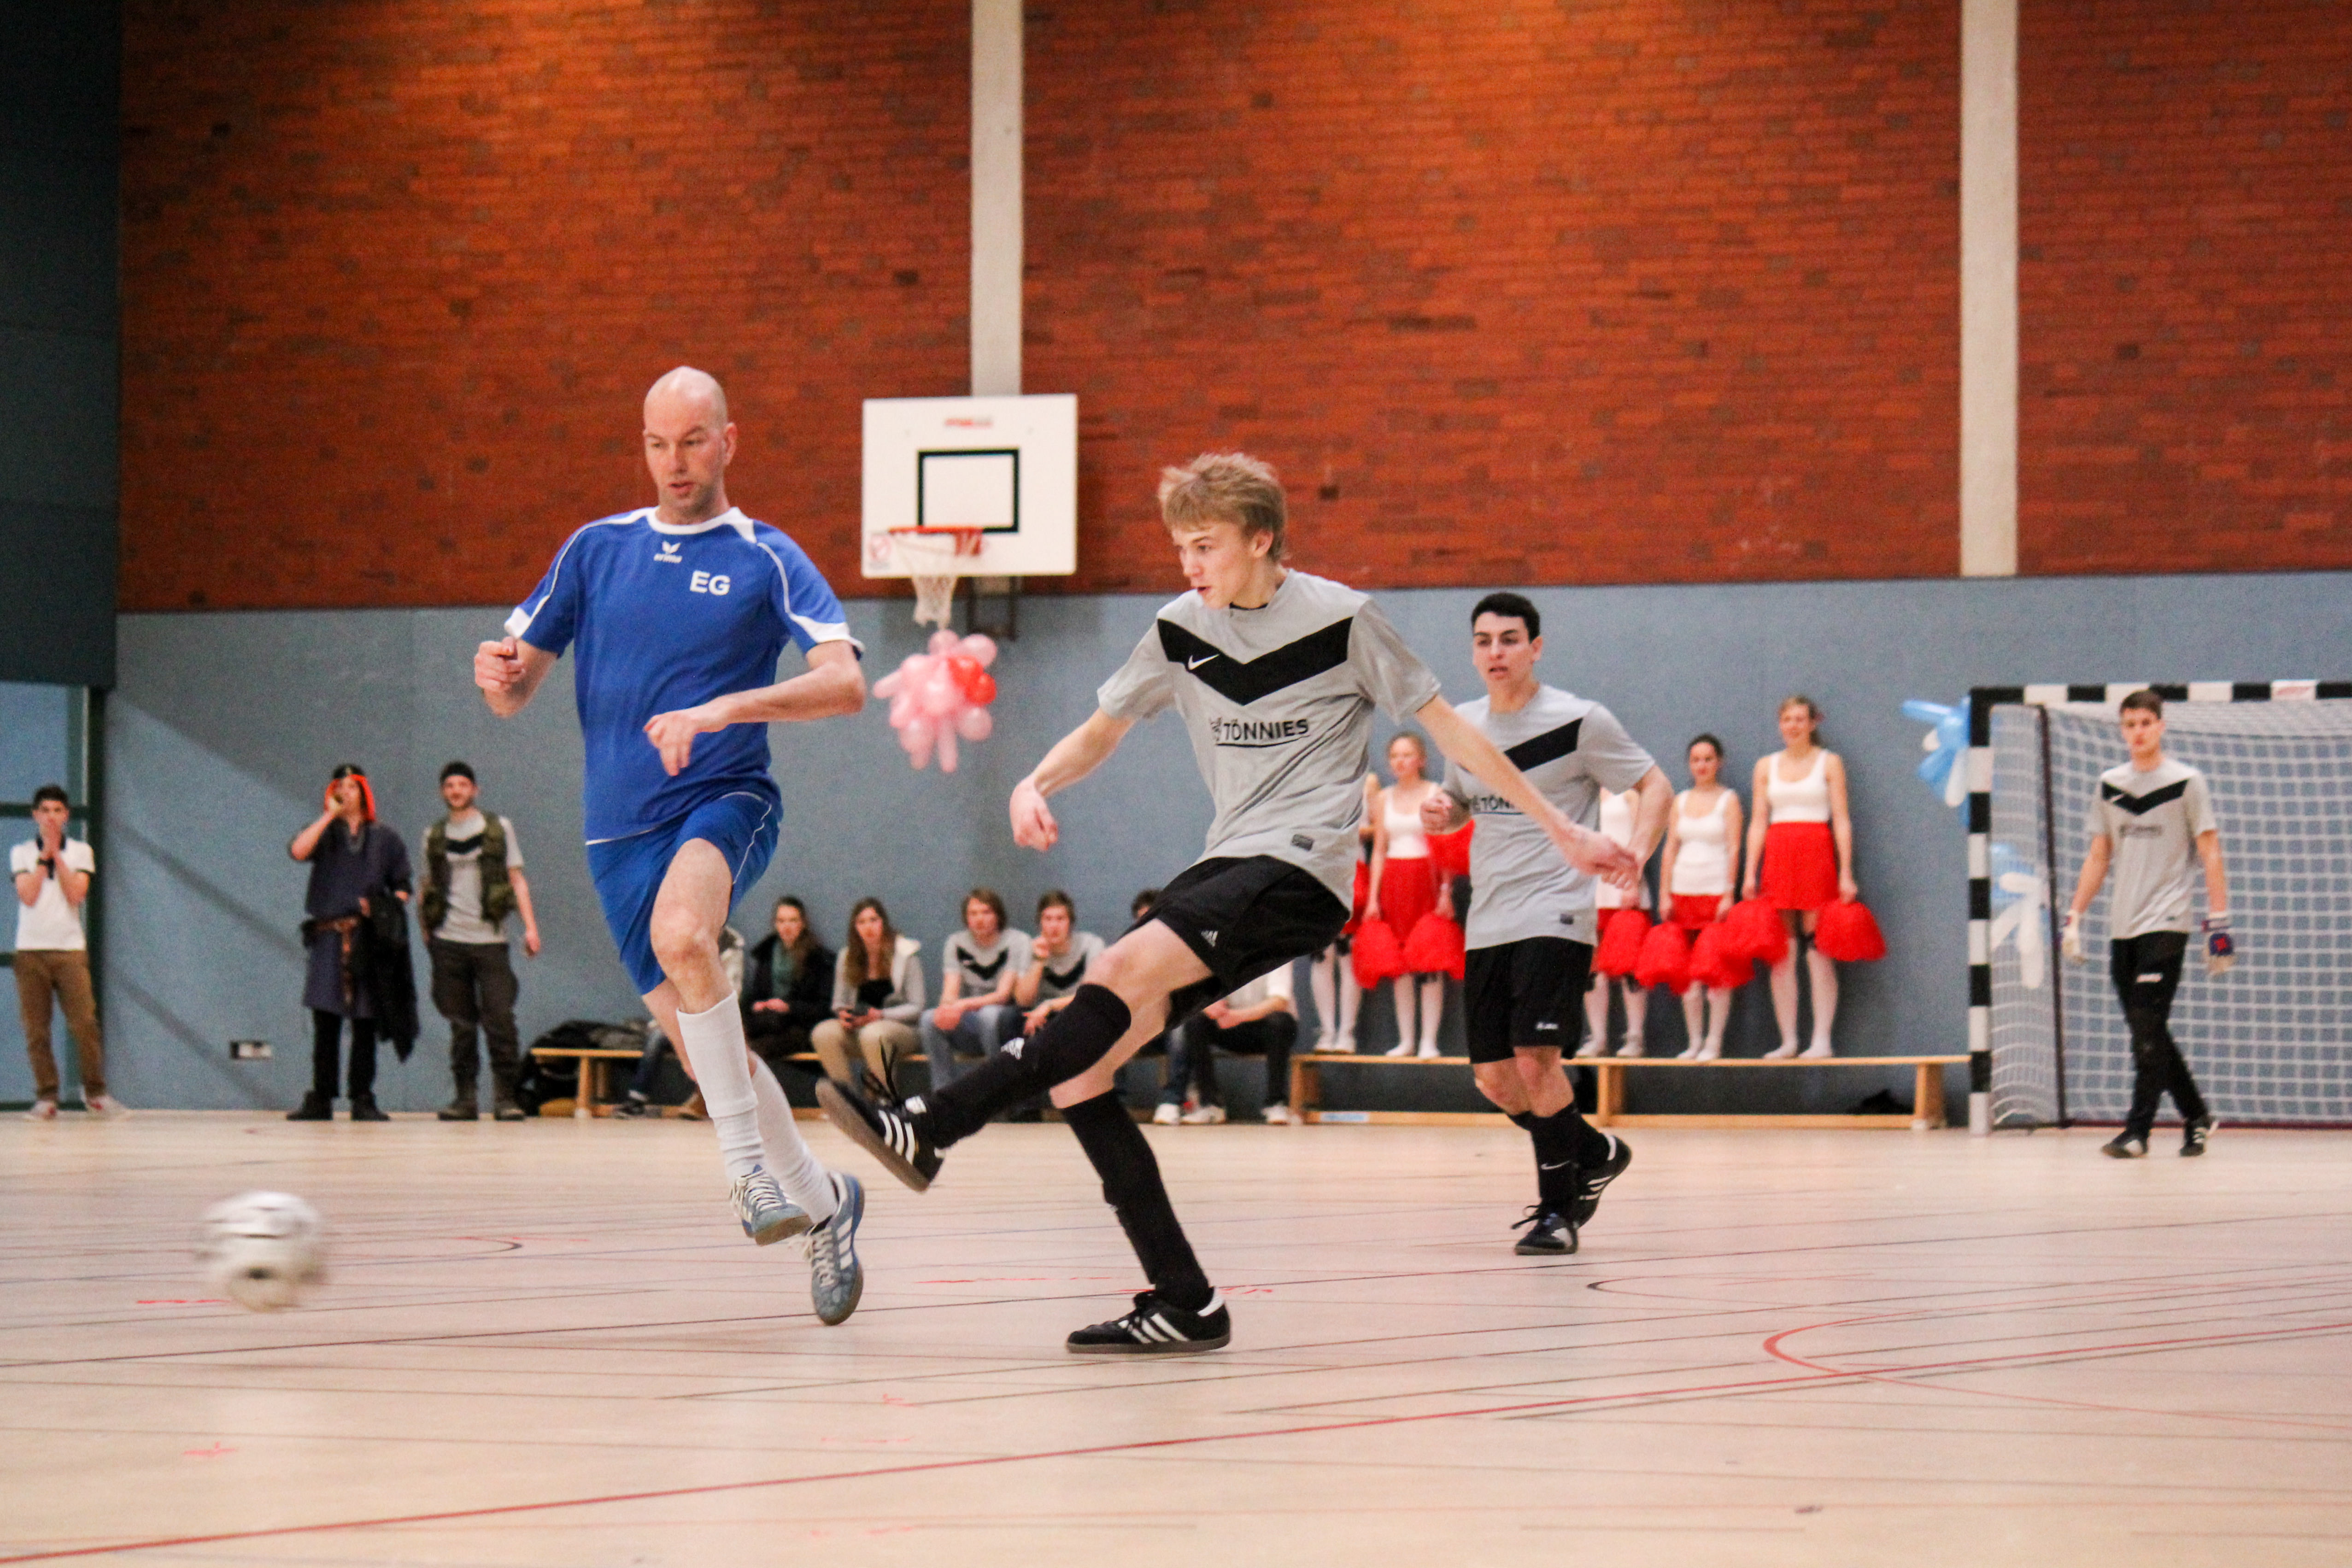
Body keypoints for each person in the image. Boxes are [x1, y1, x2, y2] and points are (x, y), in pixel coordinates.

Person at [818, 452, 1636, 1354]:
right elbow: (1103, 728)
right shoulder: (1180, 629)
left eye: (1204, 546)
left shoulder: (1344, 619)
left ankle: (930, 1124)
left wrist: (1561, 828)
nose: (1190, 565)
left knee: (1116, 967)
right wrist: (1033, 780)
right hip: (1227, 862)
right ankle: (1186, 1301)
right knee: (1084, 1066)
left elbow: (1457, 736)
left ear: (1260, 539)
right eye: (1180, 548)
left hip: (1302, 870)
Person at [474, 364, 867, 1325]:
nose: (674, 461)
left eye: (692, 441)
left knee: (686, 935)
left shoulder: (766, 557)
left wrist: (727, 708)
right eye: (657, 443)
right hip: (616, 836)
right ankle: (826, 1203)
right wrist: (497, 674)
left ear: (728, 441)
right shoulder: (595, 549)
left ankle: (745, 1173)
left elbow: (846, 683)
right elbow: (515, 689)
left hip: (722, 797)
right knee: (706, 1054)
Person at [1422, 592, 1668, 1255]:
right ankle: (1594, 1151)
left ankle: (1558, 1212)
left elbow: (1655, 787)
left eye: (1509, 639)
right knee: (1494, 1079)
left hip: (1556, 910)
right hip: (1488, 916)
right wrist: (1444, 810)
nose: (1495, 652)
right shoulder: (1462, 725)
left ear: (1535, 647)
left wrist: (1636, 854)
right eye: (1483, 641)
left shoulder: (1580, 720)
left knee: (1536, 1061)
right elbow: (1463, 801)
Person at [2062, 689, 2228, 1158]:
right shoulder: (2109, 785)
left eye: (2145, 723)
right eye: (2129, 724)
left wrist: (2218, 923)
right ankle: (2196, 1115)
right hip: (2123, 927)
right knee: (2147, 1030)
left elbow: (2209, 851)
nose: (2137, 732)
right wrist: (2074, 916)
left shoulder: (2186, 782)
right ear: (2122, 730)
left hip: (2167, 921)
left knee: (2145, 1026)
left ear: (2160, 726)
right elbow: (2098, 855)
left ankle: (2137, 1131)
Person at [288, 764, 415, 1122]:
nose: (346, 792)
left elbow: (403, 886)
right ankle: (321, 1096)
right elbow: (298, 851)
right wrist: (328, 815)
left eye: (352, 786)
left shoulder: (385, 838)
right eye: (339, 786)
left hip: (367, 936)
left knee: (365, 1019)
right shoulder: (324, 833)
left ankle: (362, 1096)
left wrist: (383, 907)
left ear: (363, 791)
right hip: (329, 935)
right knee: (326, 1018)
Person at [419, 760, 542, 1122]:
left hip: (490, 939)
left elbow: (516, 879)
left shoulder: (498, 829)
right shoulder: (434, 835)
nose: (456, 790)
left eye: (462, 784)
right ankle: (465, 1098)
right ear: (442, 792)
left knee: (500, 1017)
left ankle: (506, 1097)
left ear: (475, 789)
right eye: (449, 785)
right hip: (448, 940)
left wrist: (531, 928)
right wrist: (427, 930)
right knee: (461, 1023)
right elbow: (427, 885)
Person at [1743, 695, 1859, 1058]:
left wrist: (1846, 872)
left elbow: (1841, 819)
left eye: (1799, 719)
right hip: (1779, 857)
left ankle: (1821, 1039)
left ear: (1812, 723)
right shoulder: (1765, 766)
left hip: (1816, 855)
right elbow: (1758, 821)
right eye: (1786, 719)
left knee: (1817, 948)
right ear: (1780, 724)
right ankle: (1789, 1040)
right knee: (1782, 951)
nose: (1792, 726)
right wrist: (1749, 872)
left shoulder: (1829, 762)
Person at [12, 785, 119, 1119]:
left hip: (70, 950)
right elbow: (28, 896)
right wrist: (43, 857)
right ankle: (47, 1096)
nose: (51, 817)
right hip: (31, 951)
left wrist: (57, 855)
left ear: (67, 815)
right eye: (45, 810)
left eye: (57, 810)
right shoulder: (21, 852)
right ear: (35, 815)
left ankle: (96, 1094)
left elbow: (76, 894)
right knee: (36, 1029)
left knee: (85, 1023)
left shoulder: (81, 852)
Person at [1368, 732, 1451, 1057]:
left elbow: (1445, 845)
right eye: (1394, 756)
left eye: (1406, 755)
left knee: (1430, 960)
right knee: (1399, 963)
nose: (1400, 762)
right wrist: (1373, 898)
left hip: (1425, 879)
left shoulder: (1435, 793)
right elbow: (1378, 850)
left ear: (1421, 760)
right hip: (1393, 882)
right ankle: (1406, 1040)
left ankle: (1429, 1041)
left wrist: (1445, 890)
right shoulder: (1383, 798)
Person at [1663, 735, 1743, 1062]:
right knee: (1689, 977)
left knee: (1716, 972)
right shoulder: (1680, 801)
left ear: (1719, 762)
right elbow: (1670, 848)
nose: (1702, 765)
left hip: (1715, 894)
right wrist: (1664, 893)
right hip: (1683, 893)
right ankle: (1694, 1041)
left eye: (1708, 759)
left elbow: (1734, 847)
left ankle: (1714, 1042)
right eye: (1696, 760)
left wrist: (1729, 892)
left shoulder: (1728, 800)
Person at [1154, 961, 1301, 1125]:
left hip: (1265, 1029)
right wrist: (1208, 1006)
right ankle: (1210, 1104)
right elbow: (1203, 994)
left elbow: (1279, 1002)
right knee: (1195, 1021)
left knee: (1280, 1022)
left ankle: (1276, 1104)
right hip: (1231, 1026)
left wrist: (1239, 1016)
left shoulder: (1276, 953)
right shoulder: (1225, 956)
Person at [918, 888, 1029, 1091]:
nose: (980, 919)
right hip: (971, 1020)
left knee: (988, 1015)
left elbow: (1003, 996)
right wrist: (947, 1009)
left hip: (1005, 1019)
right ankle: (944, 1093)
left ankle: (999, 1089)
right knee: (929, 1019)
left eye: (986, 912)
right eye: (973, 914)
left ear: (998, 915)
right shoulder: (956, 943)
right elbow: (950, 992)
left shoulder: (1017, 941)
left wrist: (962, 1005)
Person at [813, 897, 924, 1085]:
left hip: (901, 1030)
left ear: (884, 923)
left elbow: (917, 1007)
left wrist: (880, 1015)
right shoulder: (847, 956)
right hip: (861, 1028)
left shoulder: (906, 954)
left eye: (874, 920)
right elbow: (839, 1003)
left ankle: (883, 1099)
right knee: (823, 1033)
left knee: (873, 1034)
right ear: (855, 928)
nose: (868, 927)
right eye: (862, 922)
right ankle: (847, 1098)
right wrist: (845, 1016)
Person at [1305, 775, 1377, 1053]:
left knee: (1349, 957)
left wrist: (1349, 831)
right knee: (1322, 957)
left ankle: (1347, 1033)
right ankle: (1327, 1031)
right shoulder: (1313, 781)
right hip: (1320, 872)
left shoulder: (1369, 782)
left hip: (1353, 871)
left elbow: (1379, 828)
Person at [1579, 786, 1651, 1059]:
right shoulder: (1583, 795)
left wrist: (1633, 882)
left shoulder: (1629, 795)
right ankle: (1598, 1037)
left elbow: (1642, 842)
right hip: (1591, 892)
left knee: (1629, 965)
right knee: (1592, 967)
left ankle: (1635, 1037)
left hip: (1624, 890)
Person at [741, 895, 835, 1064]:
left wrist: (788, 1007)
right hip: (768, 1022)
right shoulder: (767, 954)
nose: (787, 927)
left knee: (755, 1051)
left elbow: (824, 1008)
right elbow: (756, 994)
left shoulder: (819, 959)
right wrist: (757, 1004)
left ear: (803, 924)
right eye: (781, 921)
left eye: (793, 921)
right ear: (775, 924)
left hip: (799, 1026)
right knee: (738, 1042)